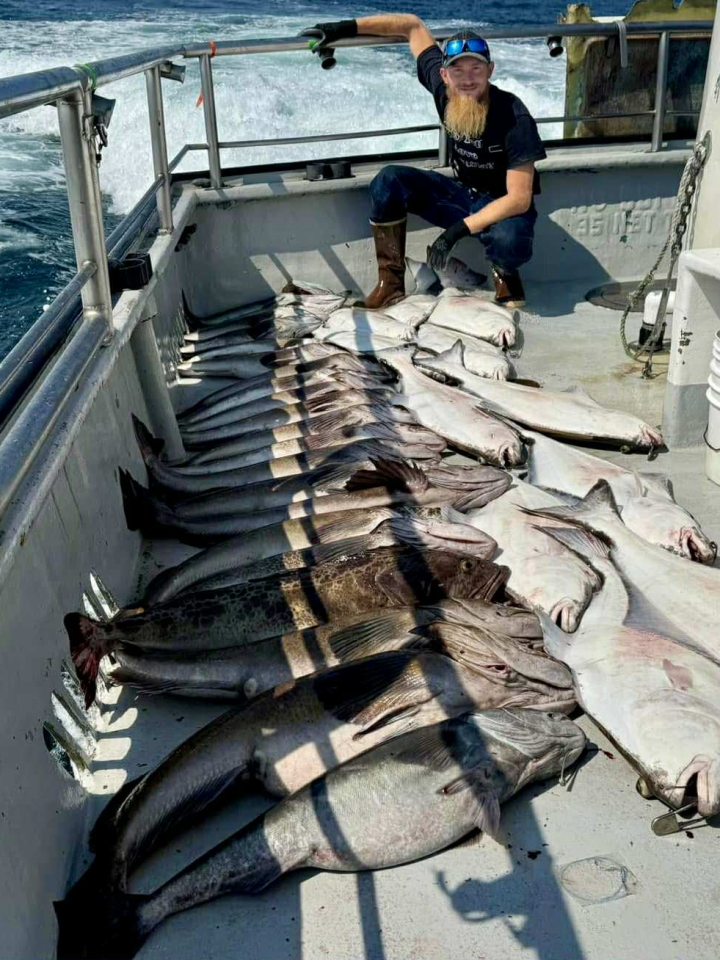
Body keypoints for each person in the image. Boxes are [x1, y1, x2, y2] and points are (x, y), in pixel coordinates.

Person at [301, 15, 547, 309]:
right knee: (389, 180)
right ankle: (390, 284)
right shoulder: (443, 91)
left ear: (490, 70)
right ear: (444, 75)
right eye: (457, 69)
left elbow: (519, 199)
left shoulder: (514, 116)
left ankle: (504, 271)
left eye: (476, 68)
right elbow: (412, 26)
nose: (467, 79)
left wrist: (455, 232)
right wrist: (340, 28)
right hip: (461, 194)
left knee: (510, 238)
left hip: (502, 205)